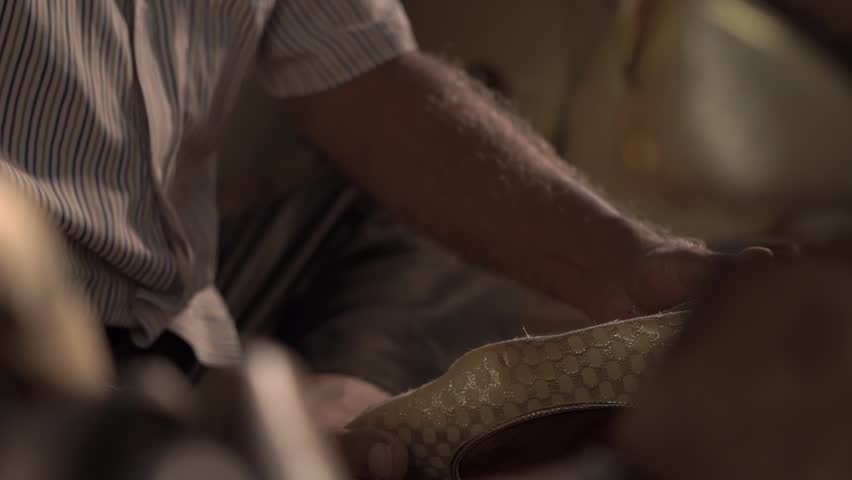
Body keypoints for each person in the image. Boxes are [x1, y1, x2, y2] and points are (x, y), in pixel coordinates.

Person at [0, 1, 759, 479]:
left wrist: (634, 264)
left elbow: (364, 73)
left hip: (187, 319)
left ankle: (345, 413)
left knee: (458, 179)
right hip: (26, 328)